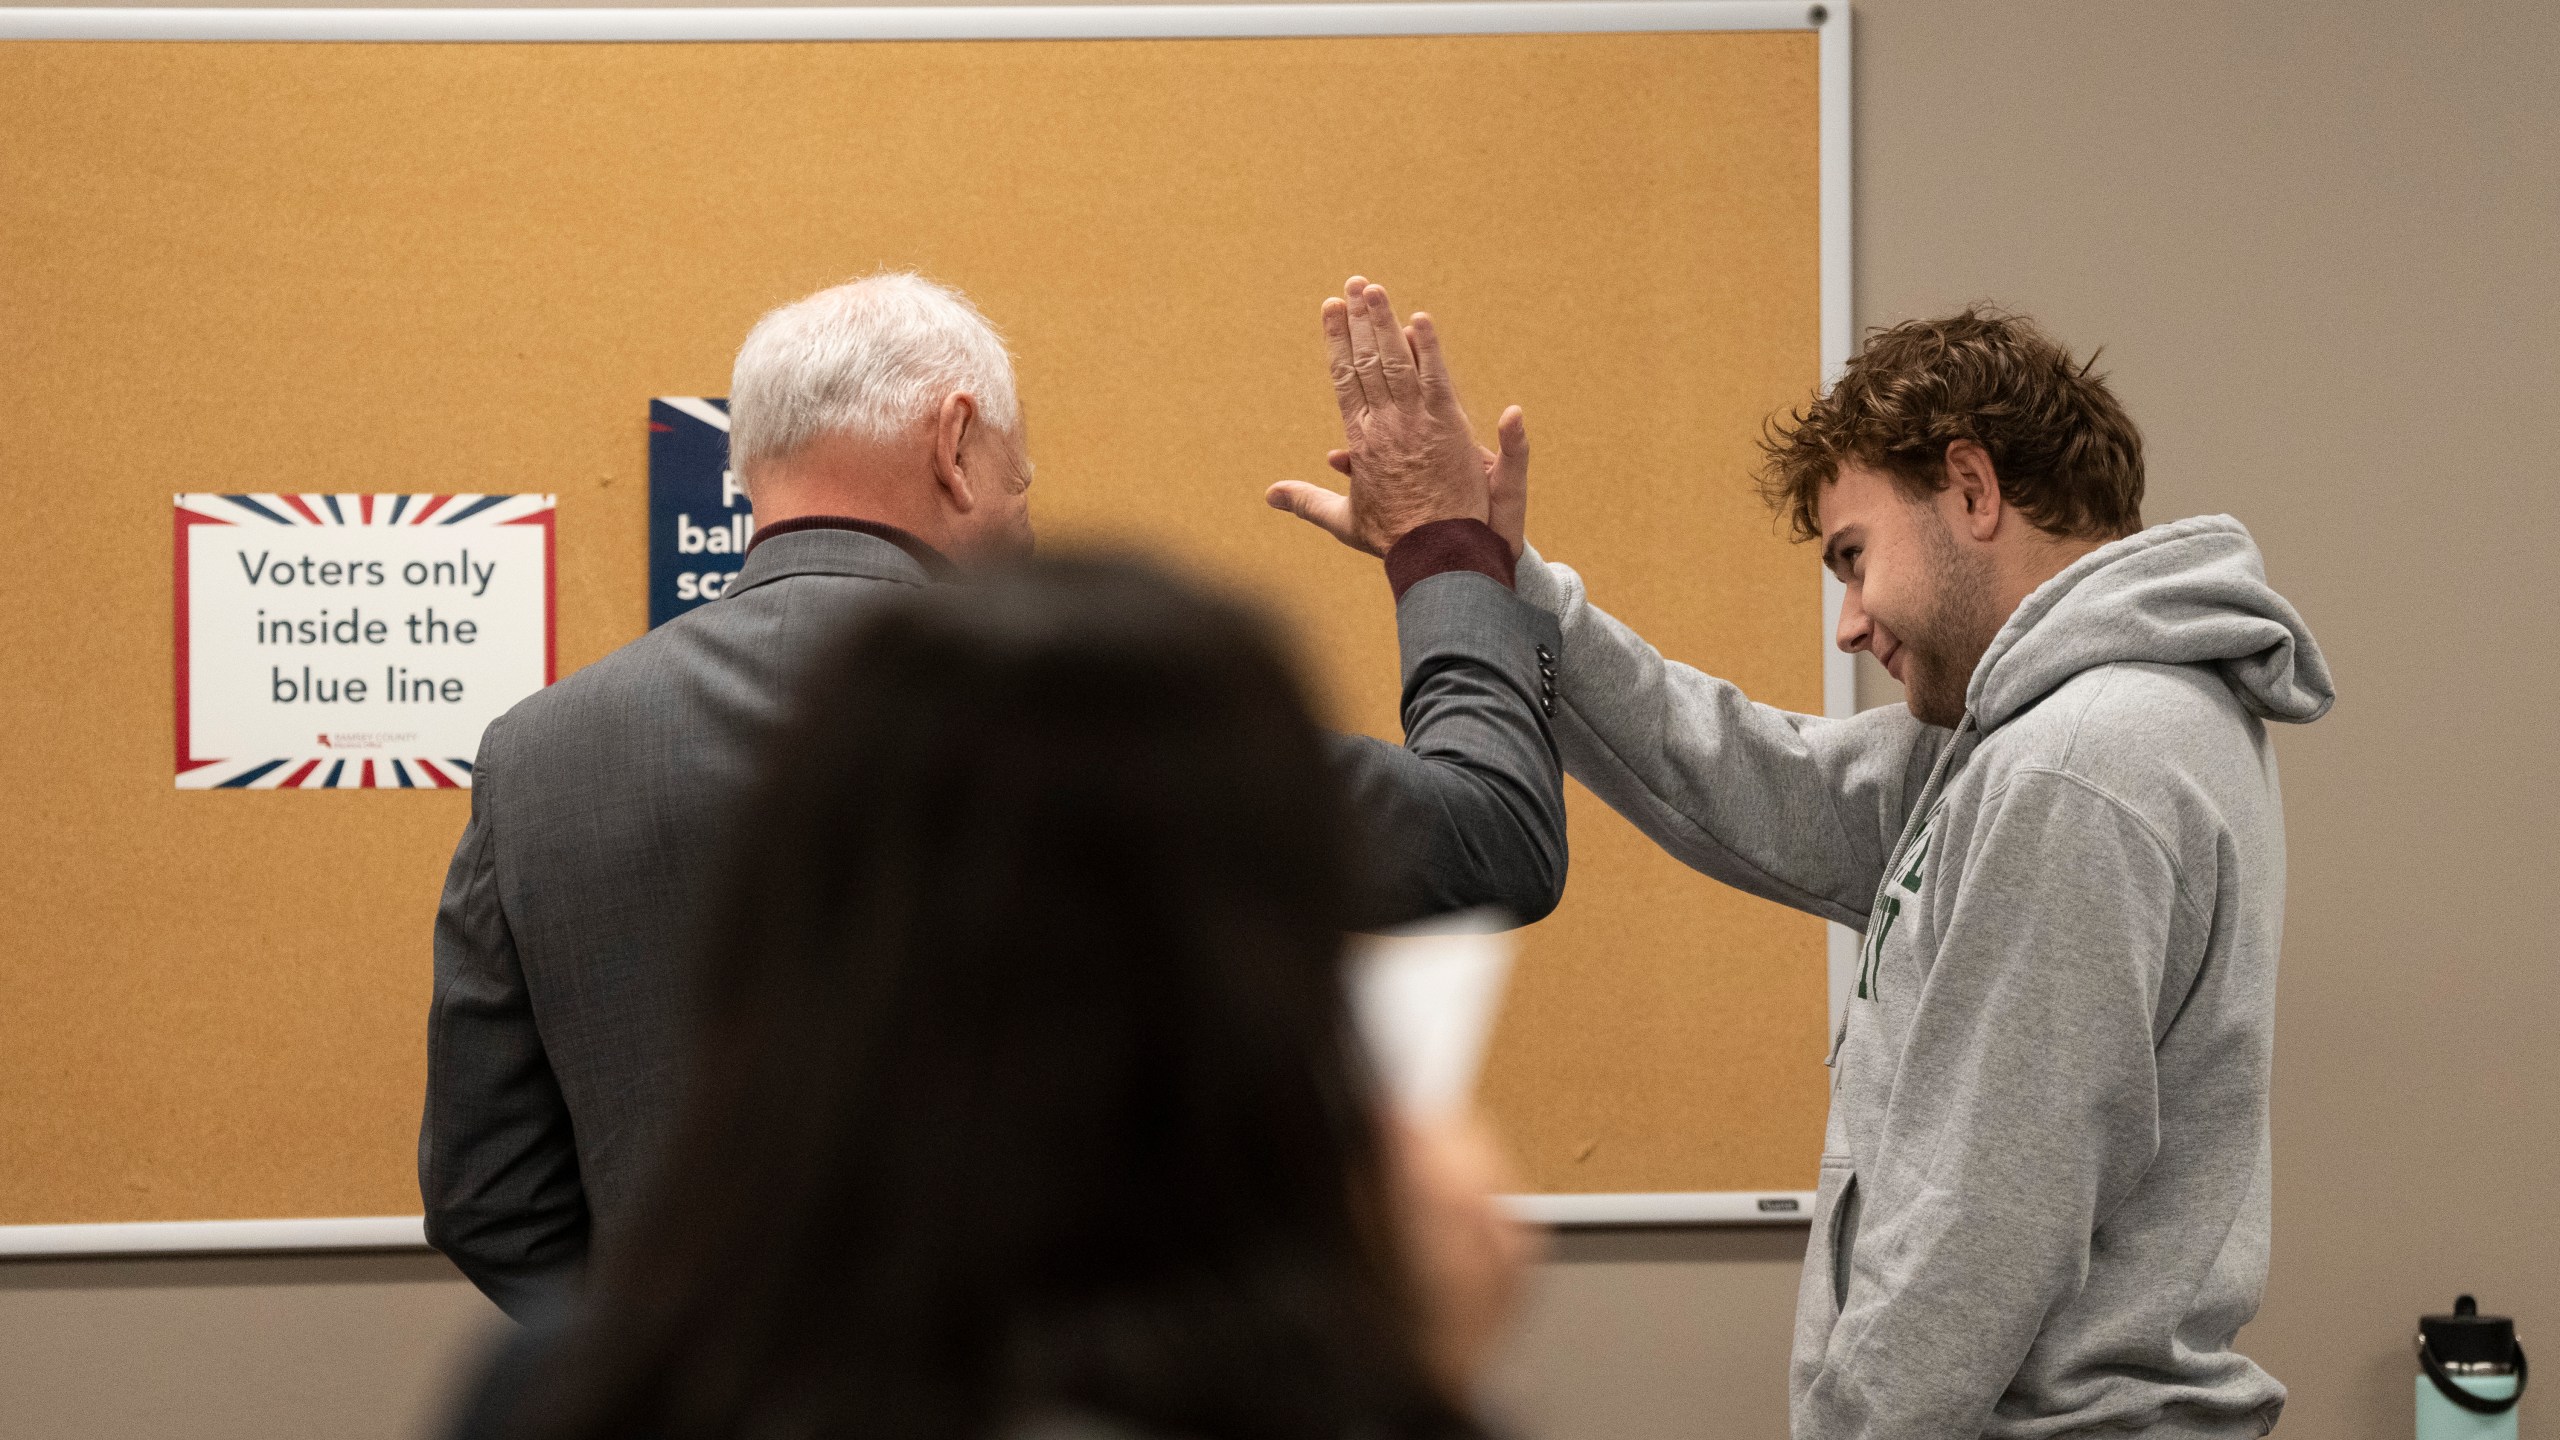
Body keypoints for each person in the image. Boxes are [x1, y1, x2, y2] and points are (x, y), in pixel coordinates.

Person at [1270, 285, 2335, 1440]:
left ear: (1972, 491)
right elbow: (1754, 780)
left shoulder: (2076, 764)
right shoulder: (2033, 741)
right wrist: (1498, 579)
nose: (1847, 622)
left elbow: (1978, 1228)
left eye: (1852, 556)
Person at [422, 272, 1567, 1317]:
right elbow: (1490, 838)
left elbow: (487, 1194)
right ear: (957, 446)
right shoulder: (1097, 698)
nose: (1024, 513)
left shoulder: (536, 754)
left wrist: (687, 1361)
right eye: (1024, 478)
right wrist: (1440, 544)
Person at [444, 557, 1536, 1440]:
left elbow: (487, 1191)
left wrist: (705, 1321)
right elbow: (1489, 839)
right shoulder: (1325, 1396)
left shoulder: (563, 1393)